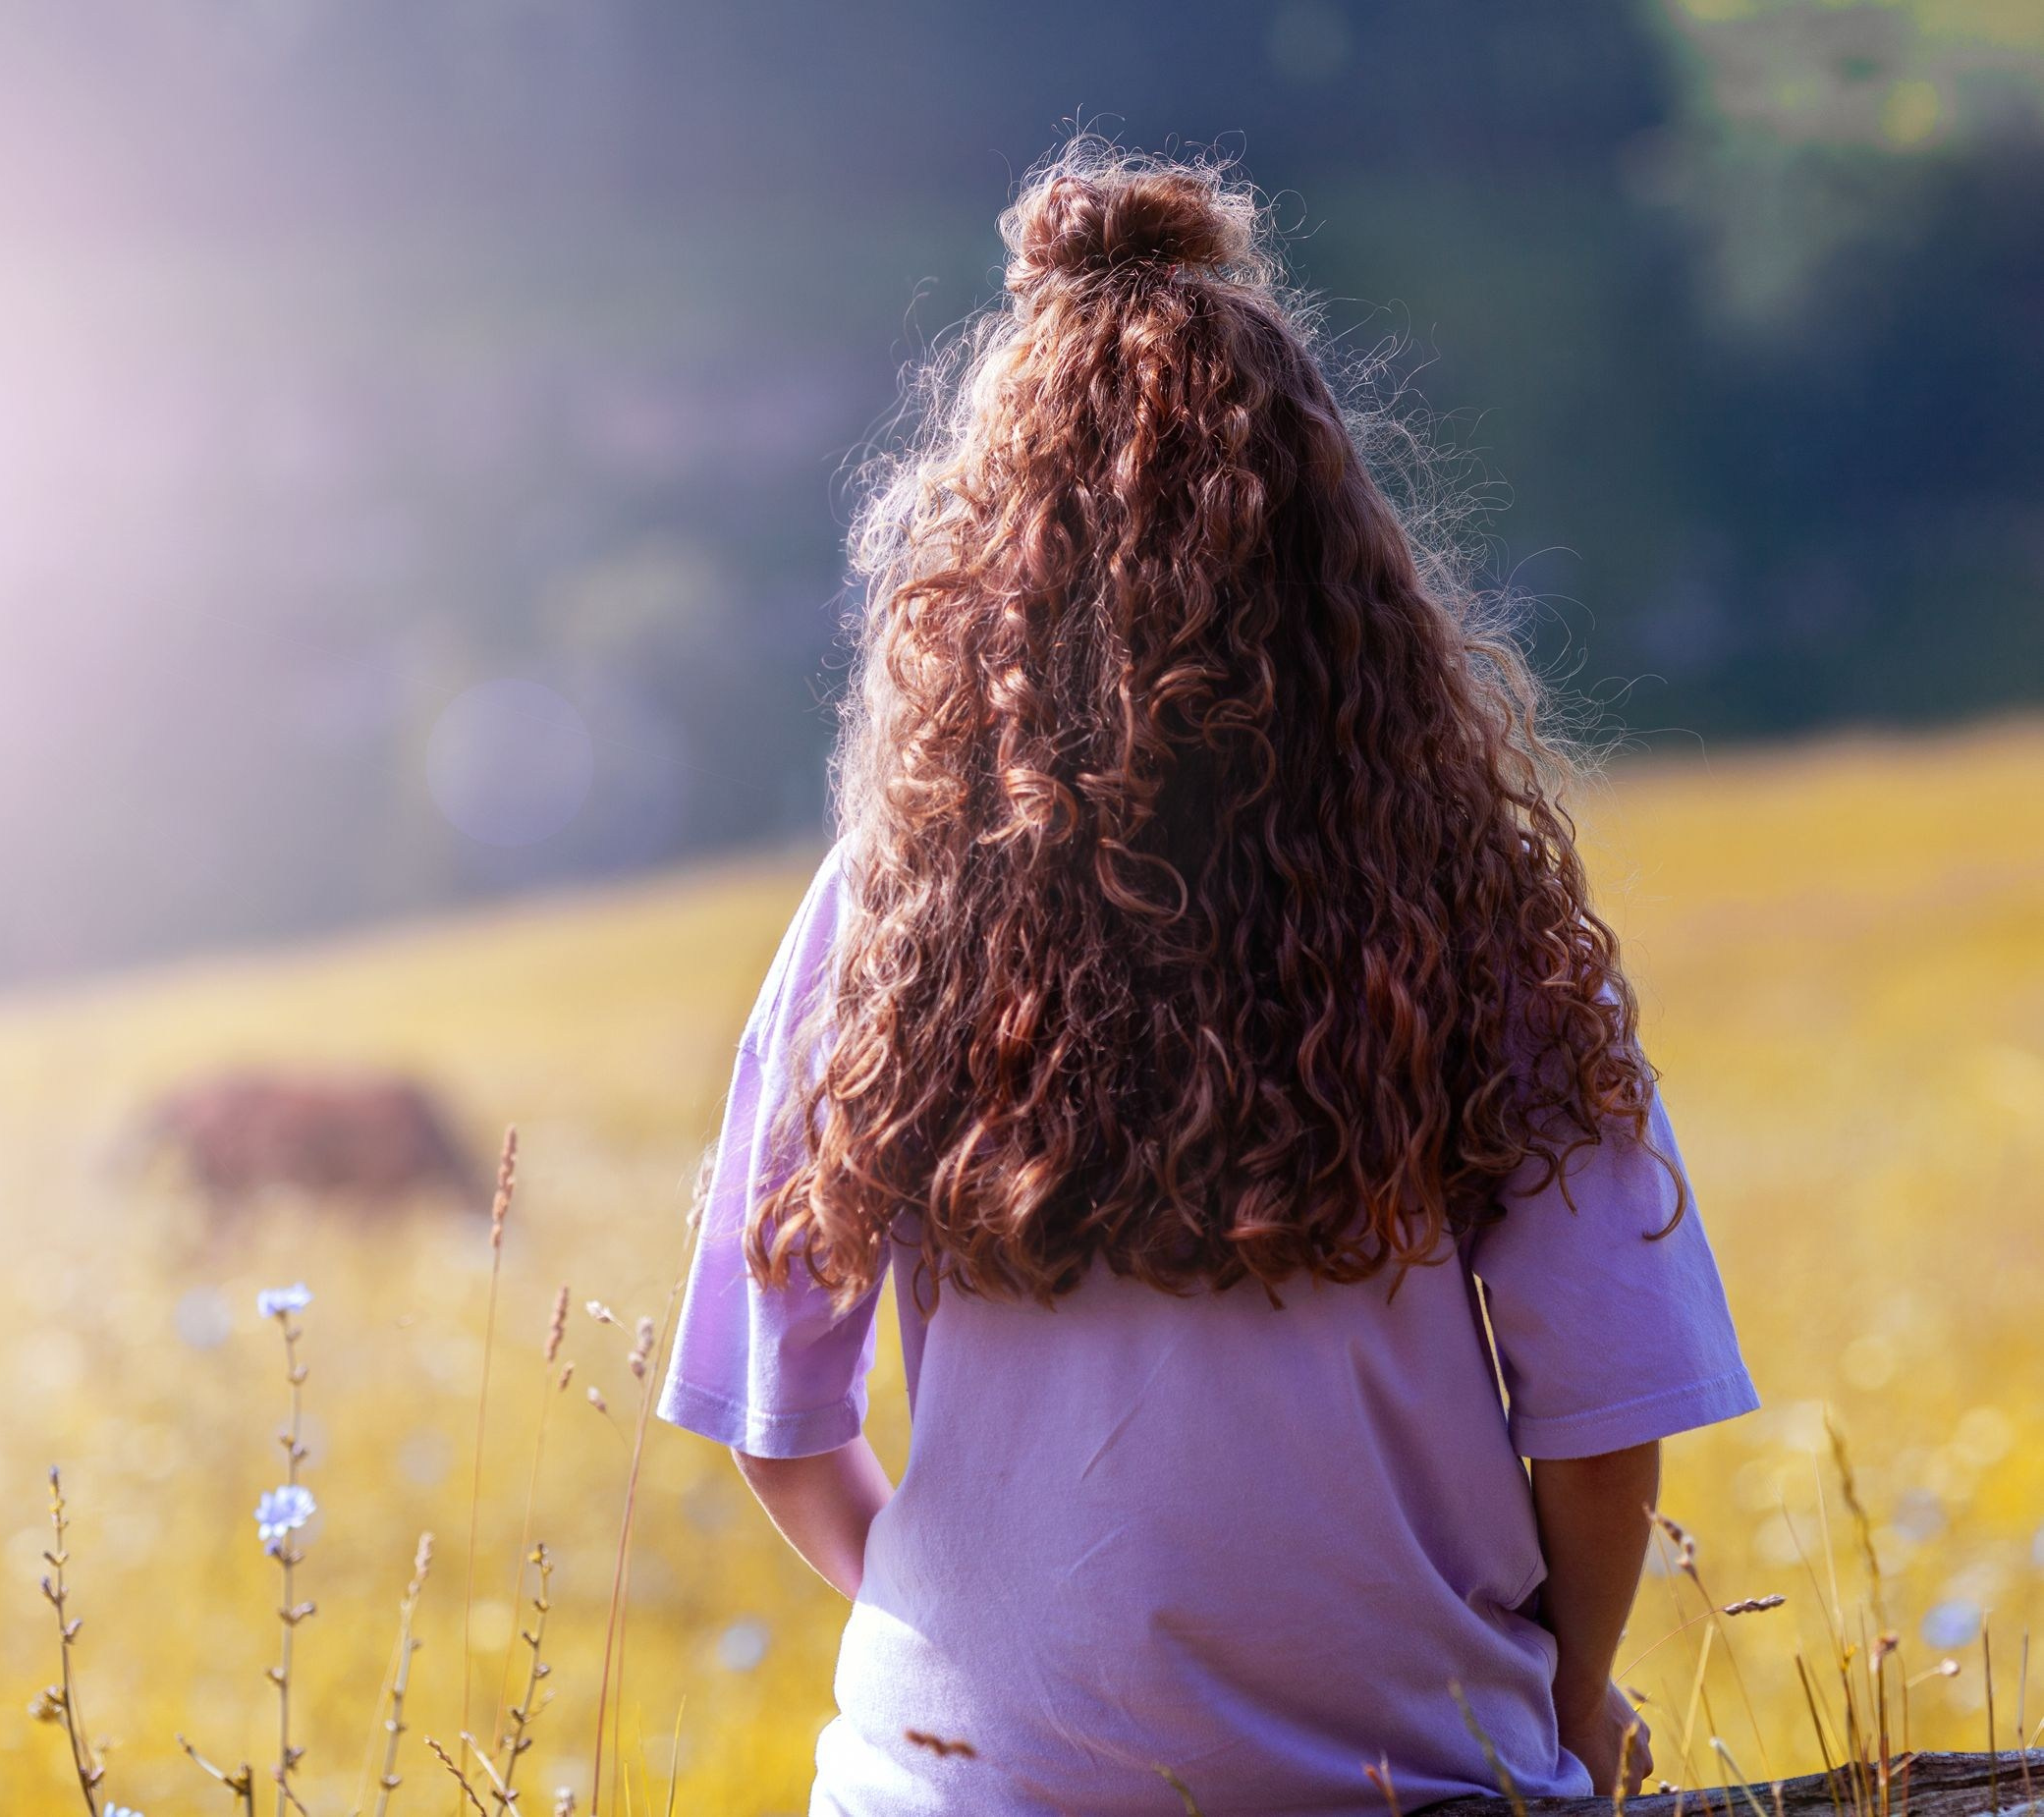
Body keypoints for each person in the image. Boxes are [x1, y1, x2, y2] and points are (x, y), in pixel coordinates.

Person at [656, 138, 1755, 1817]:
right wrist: (1576, 1704)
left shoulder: (875, 912)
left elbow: (779, 1422)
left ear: (988, 569)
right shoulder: (1472, 906)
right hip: (1416, 1780)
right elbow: (1604, 1431)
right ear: (1337, 562)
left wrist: (968, 1650)